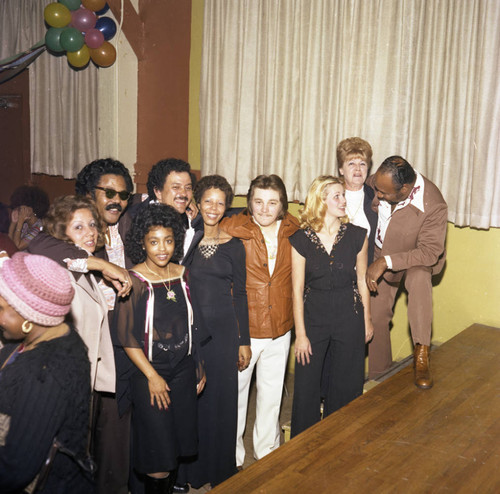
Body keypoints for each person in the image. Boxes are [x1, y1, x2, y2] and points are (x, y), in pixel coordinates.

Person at [27, 158, 134, 494]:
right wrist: (99, 262)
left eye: (125, 194)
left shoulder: (124, 227)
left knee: (102, 449)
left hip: (109, 361)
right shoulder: (61, 257)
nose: (118, 199)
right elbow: (39, 245)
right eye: (110, 192)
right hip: (68, 374)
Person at [114, 204, 205, 494]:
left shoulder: (183, 274)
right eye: (154, 242)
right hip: (150, 374)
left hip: (183, 371)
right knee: (158, 452)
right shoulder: (134, 281)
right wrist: (152, 377)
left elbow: (193, 325)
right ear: (142, 243)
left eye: (168, 241)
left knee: (176, 444)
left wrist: (198, 366)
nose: (162, 249)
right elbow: (127, 337)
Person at [221, 174, 299, 467]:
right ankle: (232, 455)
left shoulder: (294, 230)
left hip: (280, 327)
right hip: (246, 328)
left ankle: (267, 449)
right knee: (237, 395)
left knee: (271, 393)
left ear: (282, 206)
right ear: (249, 204)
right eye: (258, 202)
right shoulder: (233, 228)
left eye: (272, 203)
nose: (265, 209)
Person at [0, 252, 93, 493]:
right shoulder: (42, 338)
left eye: (1, 308)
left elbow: (17, 468)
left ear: (28, 315)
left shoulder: (45, 371)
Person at [180, 175, 250, 489]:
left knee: (221, 400)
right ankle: (190, 471)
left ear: (226, 208)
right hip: (191, 332)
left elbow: (241, 295)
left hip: (224, 334)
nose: (213, 207)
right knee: (192, 400)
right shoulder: (185, 241)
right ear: (198, 201)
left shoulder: (235, 246)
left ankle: (219, 469)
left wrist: (243, 341)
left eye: (220, 203)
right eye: (208, 200)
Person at [290, 176, 373, 437]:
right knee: (307, 386)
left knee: (347, 385)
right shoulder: (300, 239)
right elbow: (296, 289)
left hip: (350, 316)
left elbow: (362, 281)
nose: (343, 200)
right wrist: (300, 335)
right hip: (313, 318)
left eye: (343, 195)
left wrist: (367, 321)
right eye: (336, 196)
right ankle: (302, 447)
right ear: (320, 200)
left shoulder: (358, 235)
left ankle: (342, 442)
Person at [365, 156, 447, 389]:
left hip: (415, 257)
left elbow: (430, 252)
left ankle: (422, 354)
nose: (378, 194)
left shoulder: (433, 203)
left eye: (384, 193)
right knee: (376, 316)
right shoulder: (381, 182)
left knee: (420, 277)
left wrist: (386, 262)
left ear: (406, 189)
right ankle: (378, 376)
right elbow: (365, 184)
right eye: (377, 189)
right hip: (381, 251)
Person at [40, 195, 116, 395]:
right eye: (78, 227)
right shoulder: (58, 276)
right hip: (58, 384)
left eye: (92, 224)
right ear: (61, 233)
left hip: (81, 381)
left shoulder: (87, 271)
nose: (90, 232)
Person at [146, 158, 204, 262]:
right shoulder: (140, 221)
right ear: (158, 192)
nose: (183, 194)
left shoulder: (195, 221)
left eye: (188, 188)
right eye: (176, 187)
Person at [337, 137, 378, 263]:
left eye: (362, 164)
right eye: (351, 164)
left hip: (366, 271)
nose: (358, 169)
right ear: (341, 170)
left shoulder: (376, 198)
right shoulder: (330, 196)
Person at [8, 185, 50, 250]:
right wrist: (13, 223)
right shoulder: (26, 225)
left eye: (20, 209)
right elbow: (10, 244)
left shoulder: (39, 228)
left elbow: (17, 247)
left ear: (31, 209)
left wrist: (19, 223)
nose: (18, 211)